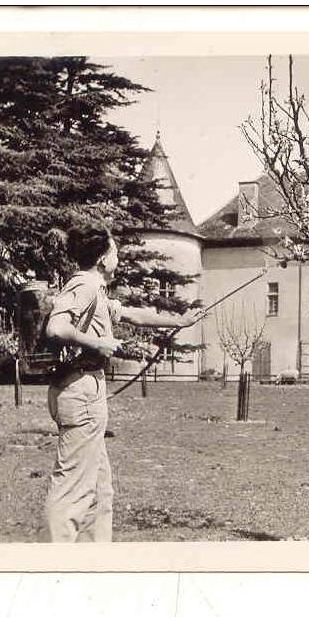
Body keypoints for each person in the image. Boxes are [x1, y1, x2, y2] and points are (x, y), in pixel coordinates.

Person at [43, 225, 195, 542]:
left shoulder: (96, 290)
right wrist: (95, 344)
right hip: (81, 391)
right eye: (114, 250)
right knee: (72, 490)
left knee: (99, 490)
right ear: (102, 258)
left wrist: (179, 320)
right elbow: (56, 328)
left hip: (86, 390)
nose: (118, 255)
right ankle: (58, 568)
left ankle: (94, 563)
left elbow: (131, 314)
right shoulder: (84, 285)